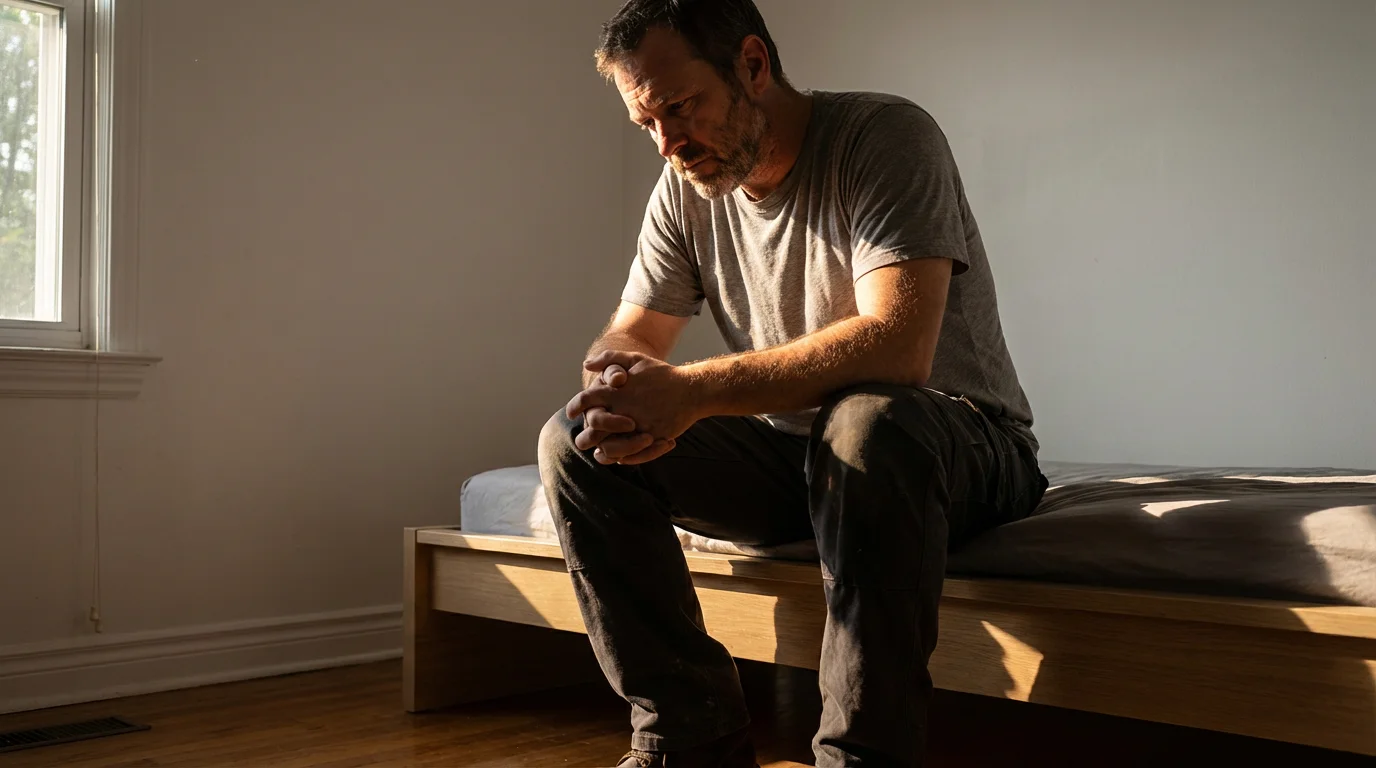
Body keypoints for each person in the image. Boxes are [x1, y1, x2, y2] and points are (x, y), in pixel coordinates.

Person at [538, 1, 1047, 765]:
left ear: (752, 64)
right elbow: (634, 330)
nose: (667, 143)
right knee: (578, 441)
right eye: (647, 125)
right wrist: (616, 381)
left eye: (680, 108)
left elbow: (899, 346)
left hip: (954, 445)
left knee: (870, 422)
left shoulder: (884, 137)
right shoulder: (687, 186)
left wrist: (694, 391)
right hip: (805, 465)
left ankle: (862, 756)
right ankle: (688, 737)